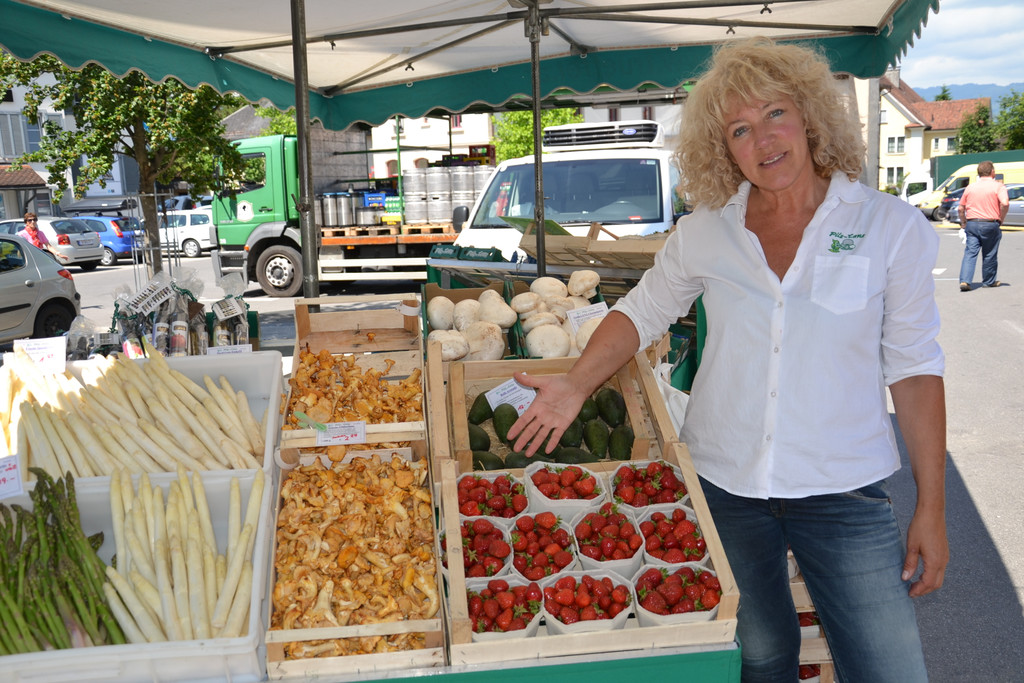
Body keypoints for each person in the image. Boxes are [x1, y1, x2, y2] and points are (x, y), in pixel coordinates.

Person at [507, 37, 947, 682]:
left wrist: (931, 506)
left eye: (774, 114)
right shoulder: (707, 230)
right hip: (725, 488)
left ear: (809, 117)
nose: (763, 139)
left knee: (890, 669)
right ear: (723, 148)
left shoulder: (890, 227)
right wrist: (575, 384)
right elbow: (640, 311)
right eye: (740, 129)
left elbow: (914, 368)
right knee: (761, 658)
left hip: (843, 492)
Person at [957, 161, 1008, 290]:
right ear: (992, 172)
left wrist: (963, 223)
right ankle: (988, 281)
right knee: (990, 253)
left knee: (970, 252)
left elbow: (961, 208)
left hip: (972, 223)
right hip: (990, 223)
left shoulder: (970, 187)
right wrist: (1001, 219)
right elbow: (1005, 203)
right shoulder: (998, 186)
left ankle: (965, 281)